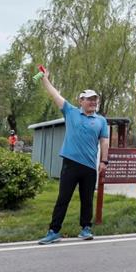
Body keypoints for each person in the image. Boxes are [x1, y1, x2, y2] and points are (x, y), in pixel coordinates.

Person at [37, 75, 109, 245]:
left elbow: (104, 141)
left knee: (87, 200)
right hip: (70, 164)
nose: (93, 102)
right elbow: (55, 95)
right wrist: (45, 79)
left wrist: (104, 161)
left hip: (90, 167)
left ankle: (86, 229)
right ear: (81, 101)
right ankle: (54, 231)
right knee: (63, 199)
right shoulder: (70, 112)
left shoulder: (101, 120)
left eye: (95, 100)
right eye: (89, 99)